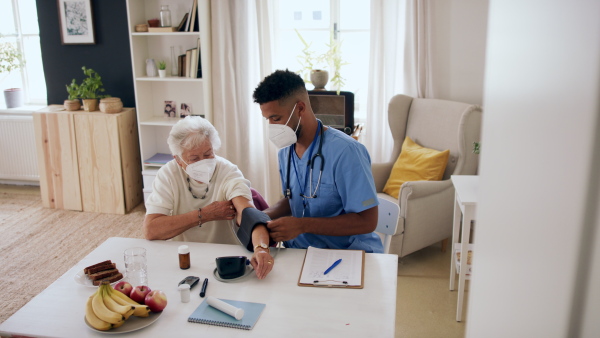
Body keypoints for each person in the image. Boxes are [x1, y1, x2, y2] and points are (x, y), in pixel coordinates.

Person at [252, 69, 383, 253]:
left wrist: (302, 226)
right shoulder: (286, 152)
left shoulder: (346, 152)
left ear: (300, 108)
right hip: (300, 251)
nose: (272, 127)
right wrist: (263, 216)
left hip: (345, 253)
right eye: (268, 120)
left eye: (276, 118)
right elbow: (295, 200)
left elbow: (368, 221)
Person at [143, 116, 274, 278]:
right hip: (184, 256)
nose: (203, 163)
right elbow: (151, 230)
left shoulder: (228, 171)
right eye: (194, 159)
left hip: (224, 257)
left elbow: (247, 212)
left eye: (208, 154)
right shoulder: (168, 174)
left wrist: (261, 248)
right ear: (178, 160)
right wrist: (204, 214)